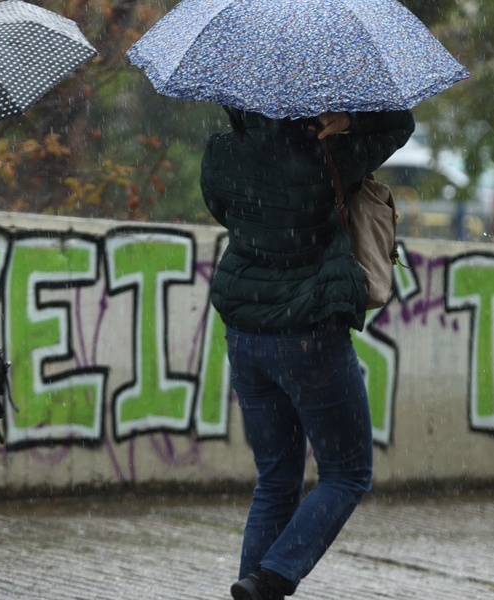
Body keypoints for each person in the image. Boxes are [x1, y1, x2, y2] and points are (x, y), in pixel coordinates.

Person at [201, 107, 414, 600]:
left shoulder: (221, 154)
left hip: (246, 332)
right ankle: (274, 576)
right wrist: (349, 121)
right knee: (347, 472)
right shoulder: (328, 152)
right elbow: (400, 124)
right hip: (309, 331)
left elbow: (225, 210)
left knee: (276, 480)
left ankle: (257, 586)